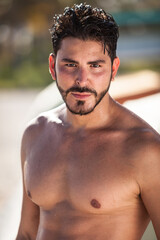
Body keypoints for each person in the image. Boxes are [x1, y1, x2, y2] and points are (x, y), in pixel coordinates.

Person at [16, 3, 160, 240]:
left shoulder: (145, 149)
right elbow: (26, 232)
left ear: (114, 69)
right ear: (53, 66)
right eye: (71, 65)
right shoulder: (35, 133)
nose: (82, 80)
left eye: (95, 66)